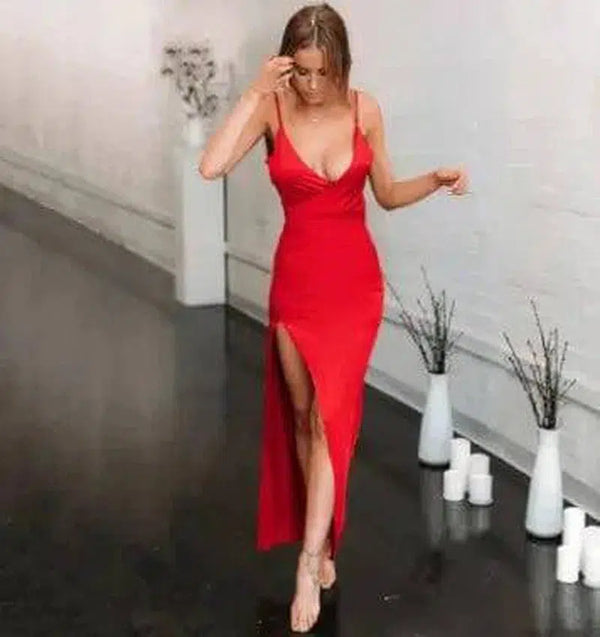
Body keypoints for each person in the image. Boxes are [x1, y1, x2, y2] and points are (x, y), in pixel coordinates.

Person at [199, 3, 468, 632]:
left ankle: (308, 560)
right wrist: (255, 90)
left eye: (325, 71)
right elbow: (210, 166)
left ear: (342, 63)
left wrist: (434, 179)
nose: (314, 84)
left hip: (354, 288)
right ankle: (319, 539)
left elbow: (387, 195)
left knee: (330, 421)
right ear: (286, 64)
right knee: (301, 416)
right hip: (296, 284)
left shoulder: (364, 109)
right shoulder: (272, 107)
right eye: (303, 71)